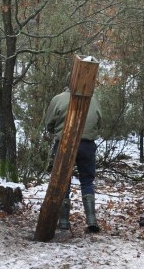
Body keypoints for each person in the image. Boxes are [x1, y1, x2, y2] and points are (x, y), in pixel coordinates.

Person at [42, 85, 102, 233]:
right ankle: (91, 219)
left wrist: (57, 133)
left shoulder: (58, 99)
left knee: (63, 181)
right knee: (87, 181)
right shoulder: (93, 99)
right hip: (87, 145)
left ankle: (63, 221)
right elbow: (100, 122)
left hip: (64, 144)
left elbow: (48, 123)